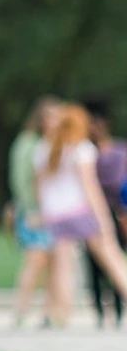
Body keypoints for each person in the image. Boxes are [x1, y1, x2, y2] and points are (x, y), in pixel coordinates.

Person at [34, 103, 127, 327]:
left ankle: (62, 317)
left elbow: (39, 188)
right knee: (112, 259)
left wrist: (44, 214)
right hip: (80, 212)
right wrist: (104, 220)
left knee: (63, 268)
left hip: (56, 215)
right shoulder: (81, 148)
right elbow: (90, 187)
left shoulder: (43, 149)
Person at [9, 97, 59, 327]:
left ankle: (49, 312)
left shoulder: (53, 144)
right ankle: (20, 310)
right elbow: (21, 180)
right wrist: (31, 209)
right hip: (33, 212)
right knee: (34, 260)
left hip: (53, 212)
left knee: (52, 264)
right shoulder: (28, 143)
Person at [82, 99, 126, 327]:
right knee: (93, 265)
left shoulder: (119, 151)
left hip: (115, 211)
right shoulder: (84, 151)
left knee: (114, 257)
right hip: (89, 212)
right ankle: (99, 312)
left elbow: (118, 183)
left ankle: (119, 309)